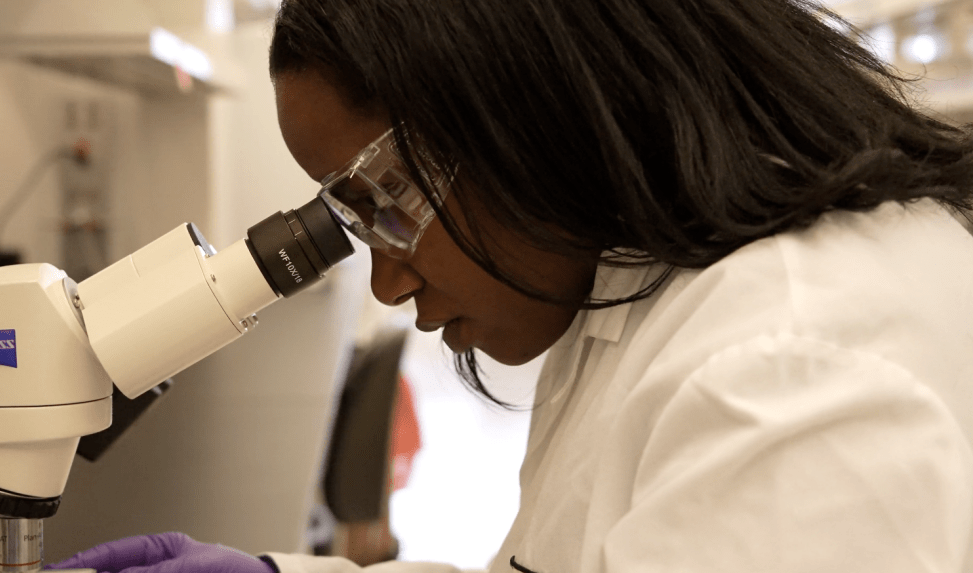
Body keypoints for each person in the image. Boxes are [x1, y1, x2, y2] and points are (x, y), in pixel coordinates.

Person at [49, 0, 973, 572]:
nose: (384, 281)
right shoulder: (644, 283)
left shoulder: (786, 370)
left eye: (386, 203)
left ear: (531, 108)